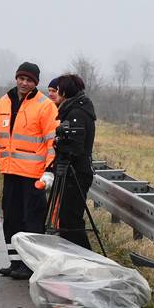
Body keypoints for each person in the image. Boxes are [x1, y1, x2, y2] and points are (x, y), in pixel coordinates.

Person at [0, 62, 58, 279]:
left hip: (34, 176)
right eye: (21, 78)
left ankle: (30, 265)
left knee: (31, 221)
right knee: (11, 218)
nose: (24, 83)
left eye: (29, 80)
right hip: (10, 171)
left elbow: (53, 142)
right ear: (16, 78)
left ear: (35, 83)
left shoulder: (45, 106)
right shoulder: (4, 101)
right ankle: (15, 262)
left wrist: (49, 170)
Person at [47, 74, 96, 251]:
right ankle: (72, 256)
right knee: (67, 217)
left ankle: (84, 257)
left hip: (76, 172)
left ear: (65, 91)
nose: (55, 93)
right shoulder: (78, 108)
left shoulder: (76, 112)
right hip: (74, 170)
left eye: (57, 89)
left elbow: (75, 148)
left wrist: (60, 144)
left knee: (70, 219)